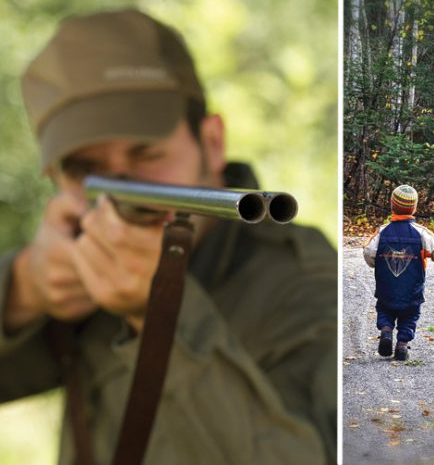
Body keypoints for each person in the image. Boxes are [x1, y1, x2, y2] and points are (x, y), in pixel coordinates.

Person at [0, 9, 337, 465]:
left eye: (146, 153)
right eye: (84, 168)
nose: (122, 194)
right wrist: (23, 290)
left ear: (212, 142)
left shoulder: (306, 282)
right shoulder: (72, 258)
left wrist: (160, 313)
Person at [363, 185, 434, 361]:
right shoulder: (421, 233)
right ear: (414, 208)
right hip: (412, 289)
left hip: (386, 287)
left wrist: (376, 263)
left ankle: (386, 331)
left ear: (392, 205)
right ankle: (402, 344)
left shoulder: (382, 231)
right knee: (410, 315)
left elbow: (369, 254)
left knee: (384, 310)